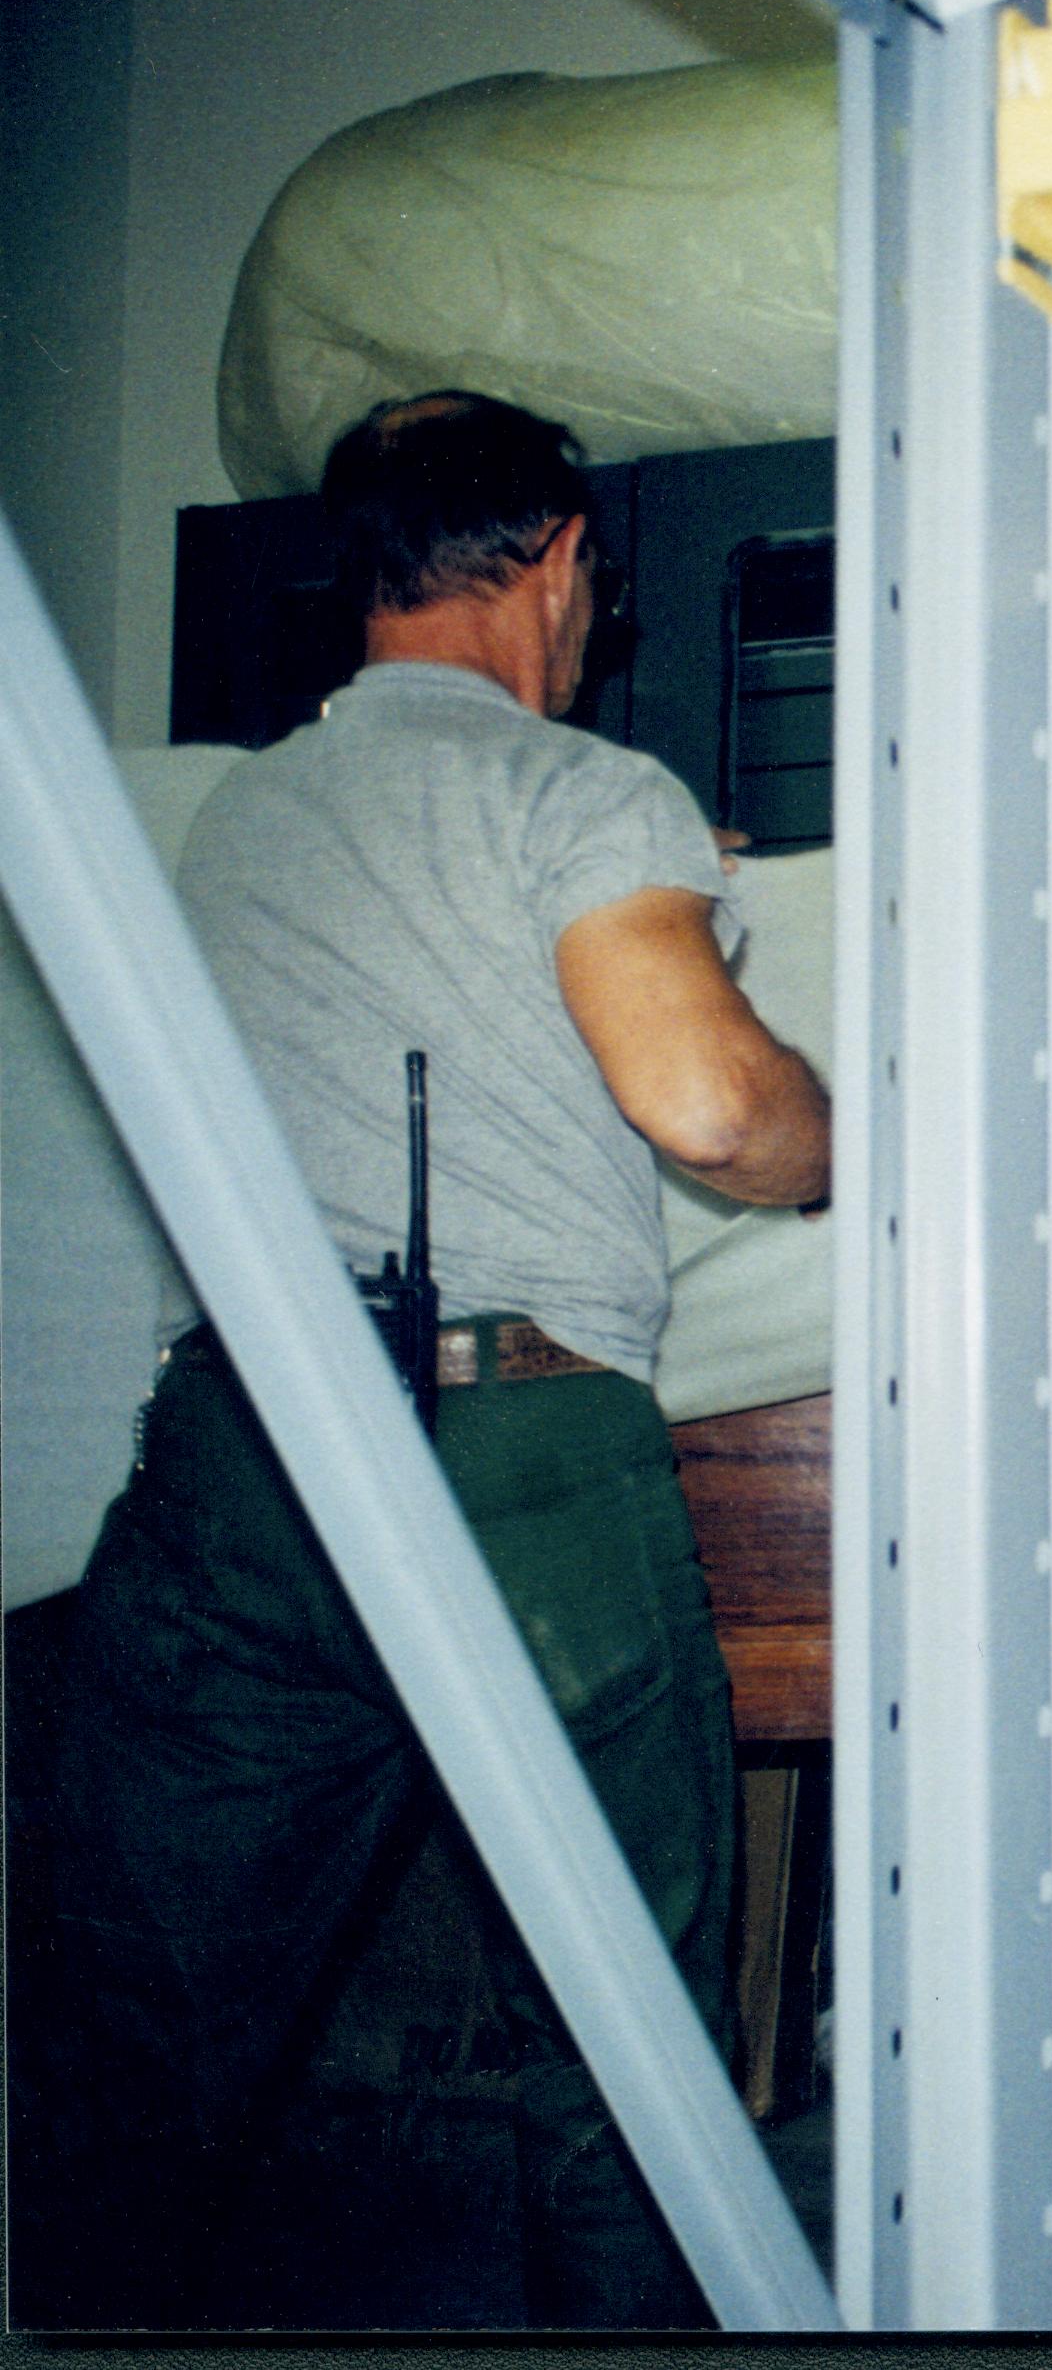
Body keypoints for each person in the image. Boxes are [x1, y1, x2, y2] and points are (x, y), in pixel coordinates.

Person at [34, 391, 828, 2327]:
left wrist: (652, 892)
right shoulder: (582, 795)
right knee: (619, 2054)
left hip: (241, 1455)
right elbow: (709, 1106)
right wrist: (819, 1115)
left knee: (134, 2044)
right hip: (518, 1455)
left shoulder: (234, 817)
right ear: (559, 562)